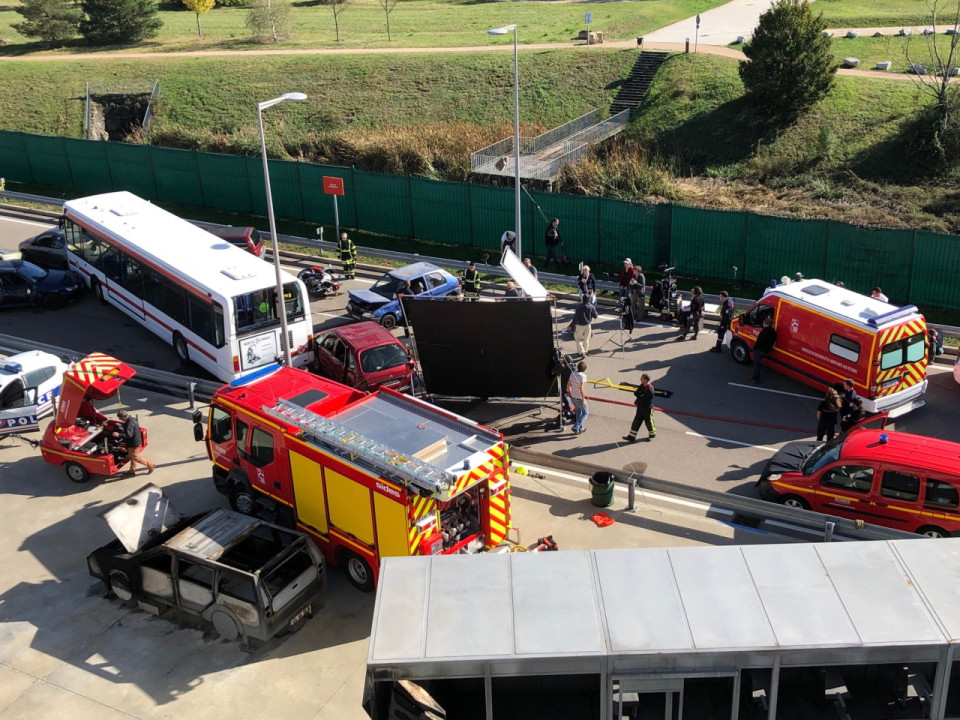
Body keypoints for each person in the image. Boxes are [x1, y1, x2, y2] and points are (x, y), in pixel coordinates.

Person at [112, 410, 154, 476]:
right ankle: (132, 470)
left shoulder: (129, 424)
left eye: (120, 418)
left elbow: (129, 435)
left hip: (133, 443)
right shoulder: (132, 419)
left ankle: (151, 465)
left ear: (123, 417)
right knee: (131, 456)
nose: (119, 420)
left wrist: (118, 435)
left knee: (136, 457)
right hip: (134, 441)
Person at [623, 373, 655, 442]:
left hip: (647, 409)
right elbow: (636, 393)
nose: (640, 379)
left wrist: (640, 396)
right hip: (640, 407)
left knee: (649, 422)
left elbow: (644, 398)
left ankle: (652, 435)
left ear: (646, 380)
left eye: (642, 378)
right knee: (636, 422)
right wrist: (640, 395)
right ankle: (631, 437)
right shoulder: (642, 385)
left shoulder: (650, 390)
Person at [752, 316, 777, 383]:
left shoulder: (763, 331)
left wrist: (754, 348)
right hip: (766, 350)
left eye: (763, 322)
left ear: (765, 323)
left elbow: (759, 341)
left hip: (759, 350)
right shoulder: (773, 332)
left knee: (756, 365)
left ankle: (755, 379)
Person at [566, 360, 589, 434]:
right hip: (579, 397)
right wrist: (583, 399)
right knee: (585, 412)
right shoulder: (583, 376)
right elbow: (581, 389)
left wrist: (570, 392)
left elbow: (568, 385)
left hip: (573, 397)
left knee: (578, 412)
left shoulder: (573, 374)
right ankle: (576, 427)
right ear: (584, 369)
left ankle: (579, 429)